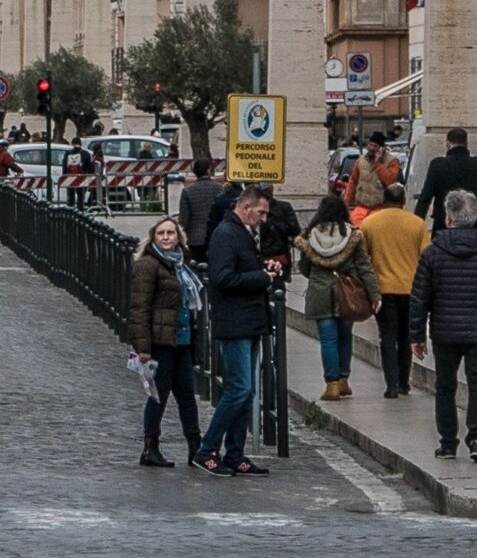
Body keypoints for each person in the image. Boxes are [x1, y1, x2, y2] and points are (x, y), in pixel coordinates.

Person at [409, 189, 477, 463]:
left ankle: (447, 443)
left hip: (445, 331)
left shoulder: (433, 254)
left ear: (448, 218)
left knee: (445, 386)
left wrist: (416, 335)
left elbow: (420, 298)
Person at [193, 190, 281, 477]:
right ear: (245, 207)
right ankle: (207, 450)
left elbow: (241, 270)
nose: (265, 219)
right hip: (234, 322)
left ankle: (235, 452)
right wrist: (261, 277)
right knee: (239, 388)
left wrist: (264, 268)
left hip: (250, 320)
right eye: (261, 213)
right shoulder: (225, 234)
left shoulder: (243, 233)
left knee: (248, 391)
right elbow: (222, 278)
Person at [126, 216, 203, 467]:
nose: (167, 237)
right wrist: (143, 348)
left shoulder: (181, 265)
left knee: (187, 396)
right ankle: (150, 448)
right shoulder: (147, 265)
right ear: (153, 237)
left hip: (181, 339)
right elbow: (139, 308)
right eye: (162, 233)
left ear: (179, 237)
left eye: (171, 233)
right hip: (160, 342)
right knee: (158, 396)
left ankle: (196, 448)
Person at [294, 192, 380, 400]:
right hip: (347, 293)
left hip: (320, 293)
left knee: (328, 340)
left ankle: (331, 384)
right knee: (344, 337)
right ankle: (343, 379)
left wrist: (317, 276)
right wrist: (374, 294)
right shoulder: (352, 235)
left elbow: (304, 266)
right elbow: (364, 267)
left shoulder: (309, 237)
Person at [358, 183, 429, 399]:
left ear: (383, 199)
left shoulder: (370, 224)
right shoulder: (417, 224)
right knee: (406, 336)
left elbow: (363, 258)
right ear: (404, 201)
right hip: (411, 288)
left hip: (382, 289)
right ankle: (404, 382)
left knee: (387, 336)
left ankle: (391, 384)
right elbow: (426, 258)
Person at [413, 127, 477, 231]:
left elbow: (425, 197)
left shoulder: (437, 165)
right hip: (474, 226)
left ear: (448, 144)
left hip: (443, 226)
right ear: (466, 143)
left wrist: (417, 223)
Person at [175, 158, 222, 265]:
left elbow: (184, 219)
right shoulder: (220, 189)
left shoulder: (187, 191)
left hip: (194, 239)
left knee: (197, 269)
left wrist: (180, 238)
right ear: (209, 171)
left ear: (194, 172)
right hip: (216, 237)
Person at [345, 136, 402, 213]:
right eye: (370, 145)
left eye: (375, 146)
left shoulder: (392, 161)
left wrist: (377, 163)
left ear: (382, 148)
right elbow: (353, 182)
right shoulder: (361, 161)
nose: (371, 148)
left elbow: (390, 181)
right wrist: (346, 201)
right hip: (361, 207)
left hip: (381, 208)